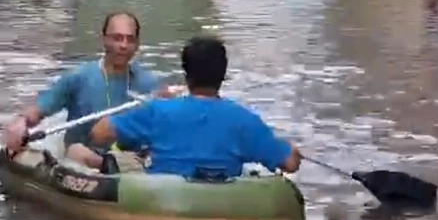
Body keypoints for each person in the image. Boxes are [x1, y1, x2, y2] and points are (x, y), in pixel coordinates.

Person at [88, 35, 302, 177]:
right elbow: (290, 164)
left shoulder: (158, 111)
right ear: (223, 74)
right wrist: (290, 150)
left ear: (186, 74)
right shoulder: (245, 120)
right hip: (221, 201)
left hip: (164, 199)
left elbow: (99, 133)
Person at [2, 11, 173, 171]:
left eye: (130, 39)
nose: (123, 45)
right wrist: (21, 121)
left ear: (137, 44)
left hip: (130, 160)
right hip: (86, 159)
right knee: (76, 152)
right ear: (104, 39)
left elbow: (168, 121)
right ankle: (108, 168)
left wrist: (170, 103)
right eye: (117, 38)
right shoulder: (79, 77)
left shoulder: (149, 82)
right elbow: (40, 108)